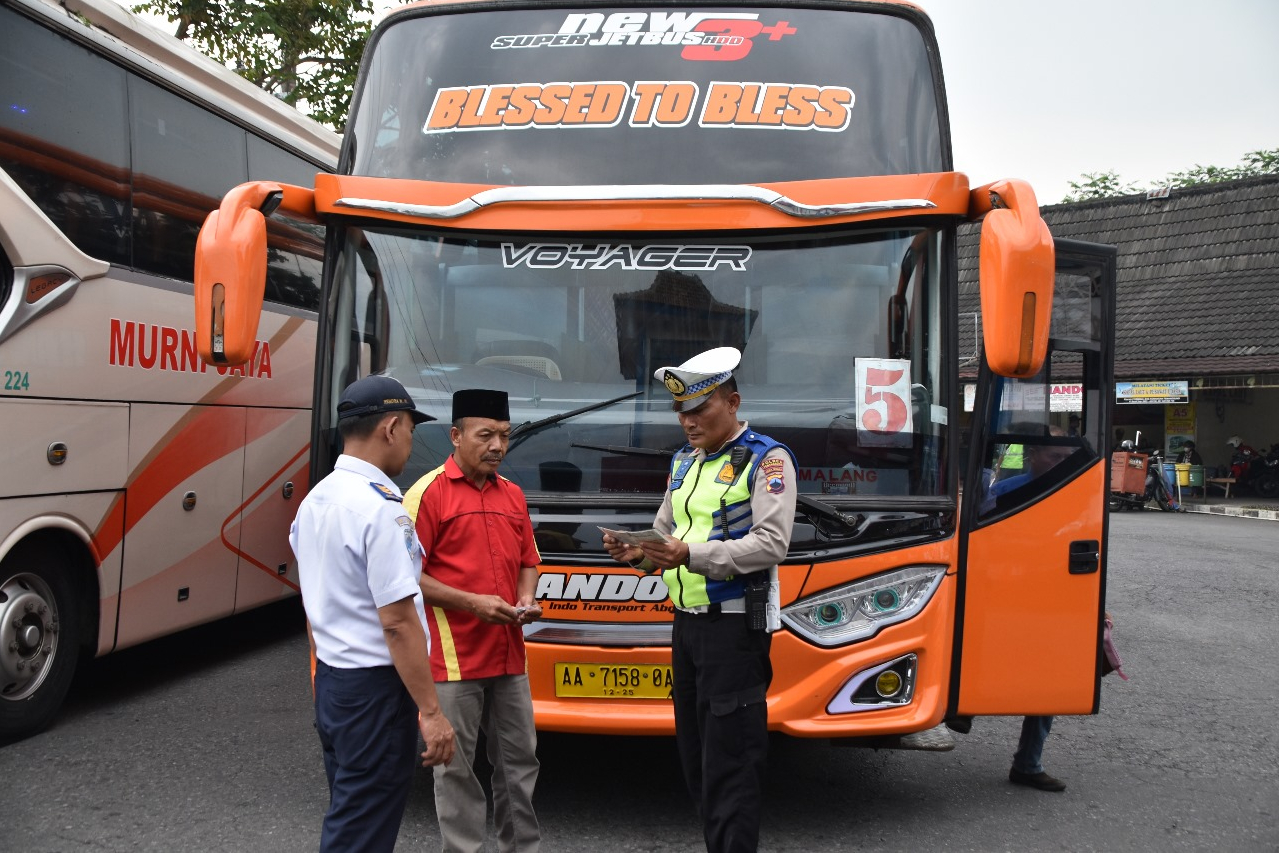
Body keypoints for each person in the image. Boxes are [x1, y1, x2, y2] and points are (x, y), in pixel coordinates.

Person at [603, 347, 797, 853]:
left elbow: (772, 543)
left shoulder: (767, 458)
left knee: (732, 765)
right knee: (697, 761)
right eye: (681, 412)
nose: (687, 422)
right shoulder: (683, 462)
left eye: (699, 410)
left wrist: (687, 552)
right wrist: (636, 553)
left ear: (732, 402)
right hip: (687, 629)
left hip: (734, 631)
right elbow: (666, 540)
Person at [289, 375, 456, 853]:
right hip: (375, 692)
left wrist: (321, 672)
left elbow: (313, 599)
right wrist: (431, 713)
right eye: (408, 429)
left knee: (349, 808)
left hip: (336, 682)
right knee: (361, 829)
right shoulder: (384, 511)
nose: (409, 440)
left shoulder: (315, 500)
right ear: (390, 427)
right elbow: (398, 621)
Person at [403, 389, 543, 853]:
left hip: (509, 656)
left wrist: (525, 599)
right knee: (456, 772)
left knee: (519, 764)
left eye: (504, 436)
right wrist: (473, 604)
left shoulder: (513, 494)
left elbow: (529, 560)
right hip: (451, 660)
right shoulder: (426, 494)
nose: (498, 446)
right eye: (486, 435)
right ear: (456, 436)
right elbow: (404, 579)